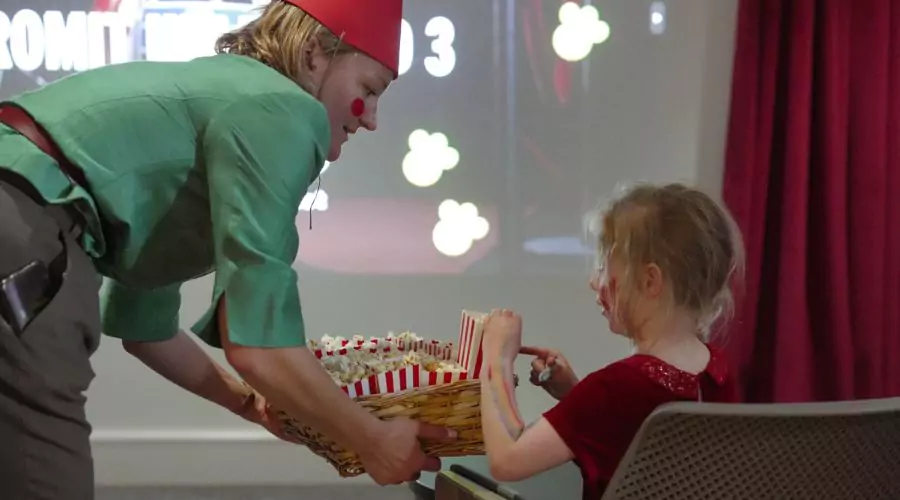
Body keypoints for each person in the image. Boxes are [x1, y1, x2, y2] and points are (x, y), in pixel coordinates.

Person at [0, 1, 457, 498]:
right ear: (313, 57)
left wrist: (248, 405)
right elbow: (259, 346)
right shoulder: (282, 109)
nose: (371, 119)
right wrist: (373, 440)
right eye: (368, 90)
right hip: (23, 228)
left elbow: (143, 328)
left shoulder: (224, 101)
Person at [477, 183, 745, 499]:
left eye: (605, 267)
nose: (595, 281)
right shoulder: (718, 372)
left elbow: (508, 461)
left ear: (649, 281)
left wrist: (496, 358)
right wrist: (575, 395)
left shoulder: (612, 389)